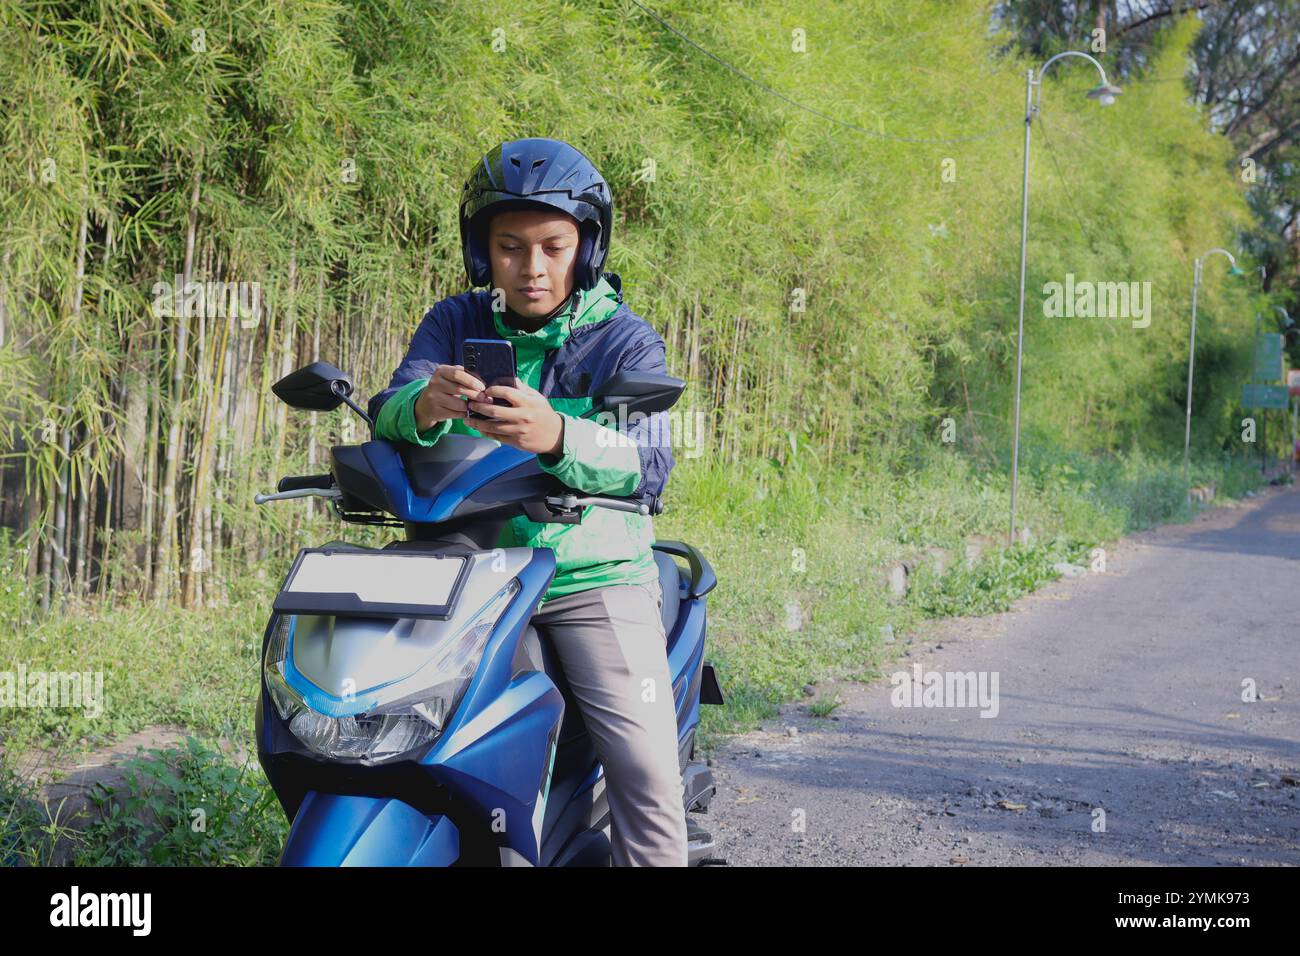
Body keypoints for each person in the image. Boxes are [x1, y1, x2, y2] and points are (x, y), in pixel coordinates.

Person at [366, 137, 689, 866]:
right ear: (483, 252)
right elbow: (388, 409)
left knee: (645, 774)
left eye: (553, 246)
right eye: (510, 247)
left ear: (587, 248)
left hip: (587, 581)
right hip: (470, 573)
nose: (533, 269)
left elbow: (651, 463)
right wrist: (423, 404)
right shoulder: (455, 321)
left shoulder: (624, 341)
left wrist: (556, 434)